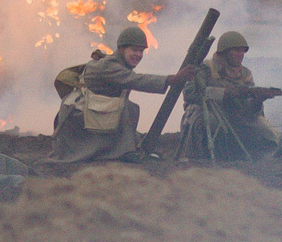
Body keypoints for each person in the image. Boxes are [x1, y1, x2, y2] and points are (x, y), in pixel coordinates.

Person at [48, 23, 191, 164]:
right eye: (134, 50)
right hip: (78, 118)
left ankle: (124, 149)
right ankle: (123, 152)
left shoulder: (119, 64)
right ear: (122, 49)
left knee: (127, 107)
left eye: (141, 51)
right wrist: (172, 79)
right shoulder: (109, 66)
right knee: (126, 108)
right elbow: (136, 80)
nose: (138, 55)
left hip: (92, 114)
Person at [183, 30, 282, 160]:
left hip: (234, 114)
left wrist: (257, 101)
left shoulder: (245, 74)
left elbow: (249, 112)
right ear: (224, 52)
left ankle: (270, 153)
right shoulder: (206, 68)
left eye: (242, 51)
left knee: (263, 127)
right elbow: (190, 94)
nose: (240, 55)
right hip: (203, 113)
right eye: (236, 51)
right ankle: (203, 159)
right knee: (212, 122)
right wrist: (224, 93)